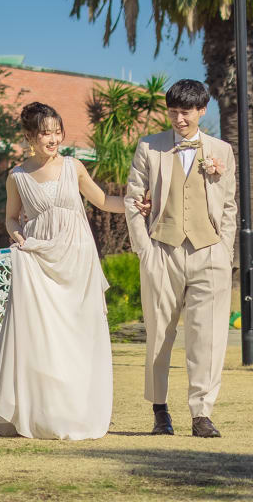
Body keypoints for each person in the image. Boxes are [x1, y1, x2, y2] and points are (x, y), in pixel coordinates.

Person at [0, 101, 138, 439]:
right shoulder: (17, 177)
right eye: (44, 133)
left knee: (78, 337)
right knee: (43, 338)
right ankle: (43, 415)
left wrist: (134, 204)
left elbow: (102, 201)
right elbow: (11, 217)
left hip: (77, 261)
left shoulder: (74, 166)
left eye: (56, 131)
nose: (53, 139)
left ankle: (78, 414)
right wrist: (17, 235)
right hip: (39, 262)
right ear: (29, 137)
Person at [124, 78, 236, 438]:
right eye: (172, 111)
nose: (178, 118)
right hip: (162, 251)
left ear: (201, 110)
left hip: (209, 253)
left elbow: (230, 206)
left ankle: (202, 414)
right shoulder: (149, 147)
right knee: (159, 334)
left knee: (209, 336)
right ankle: (160, 411)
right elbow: (132, 199)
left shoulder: (222, 150)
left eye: (185, 112)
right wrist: (145, 250)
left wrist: (224, 250)